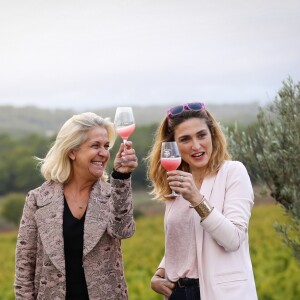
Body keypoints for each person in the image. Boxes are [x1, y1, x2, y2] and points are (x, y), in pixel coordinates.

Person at [14, 112, 138, 300]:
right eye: (95, 146)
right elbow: (24, 266)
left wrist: (121, 178)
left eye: (106, 146)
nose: (103, 153)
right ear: (72, 151)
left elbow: (123, 231)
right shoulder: (37, 199)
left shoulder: (112, 194)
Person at [146, 102, 258, 300]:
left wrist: (197, 199)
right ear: (173, 146)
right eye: (185, 139)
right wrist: (161, 271)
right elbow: (187, 239)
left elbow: (233, 240)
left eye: (201, 135)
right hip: (178, 293)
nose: (196, 146)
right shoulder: (177, 180)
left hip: (221, 293)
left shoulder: (233, 172)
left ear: (212, 135)